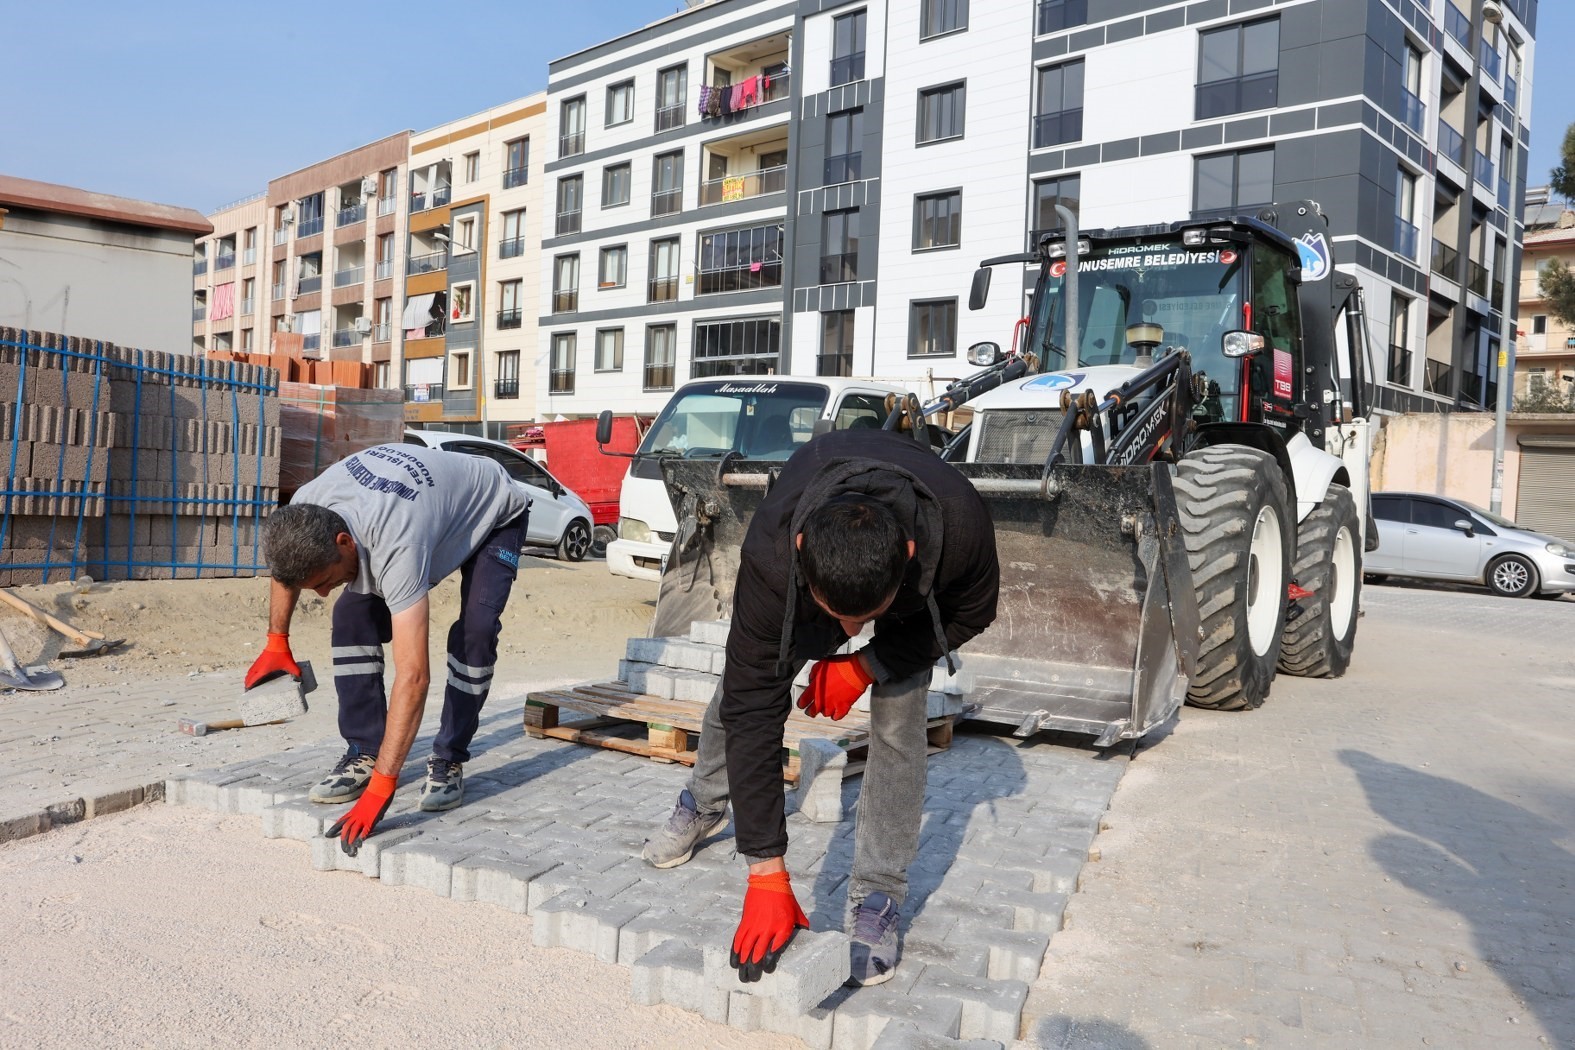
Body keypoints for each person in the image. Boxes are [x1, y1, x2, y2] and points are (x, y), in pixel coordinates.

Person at [641, 427, 999, 986]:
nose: (850, 631)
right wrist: (765, 871)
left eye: (862, 619)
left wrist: (867, 663)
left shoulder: (960, 529)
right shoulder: (773, 555)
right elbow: (755, 701)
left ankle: (879, 894)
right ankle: (704, 801)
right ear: (803, 549)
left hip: (910, 583)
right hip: (818, 518)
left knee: (901, 714)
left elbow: (972, 613)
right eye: (840, 618)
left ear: (907, 555)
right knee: (746, 684)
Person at [246, 443, 529, 855]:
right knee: (348, 616)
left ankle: (449, 755)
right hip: (423, 505)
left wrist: (384, 786)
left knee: (476, 632)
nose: (322, 593)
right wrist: (276, 641)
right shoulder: (306, 507)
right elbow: (284, 573)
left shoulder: (398, 542)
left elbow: (413, 676)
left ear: (344, 542)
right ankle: (364, 749)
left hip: (493, 512)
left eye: (325, 579)